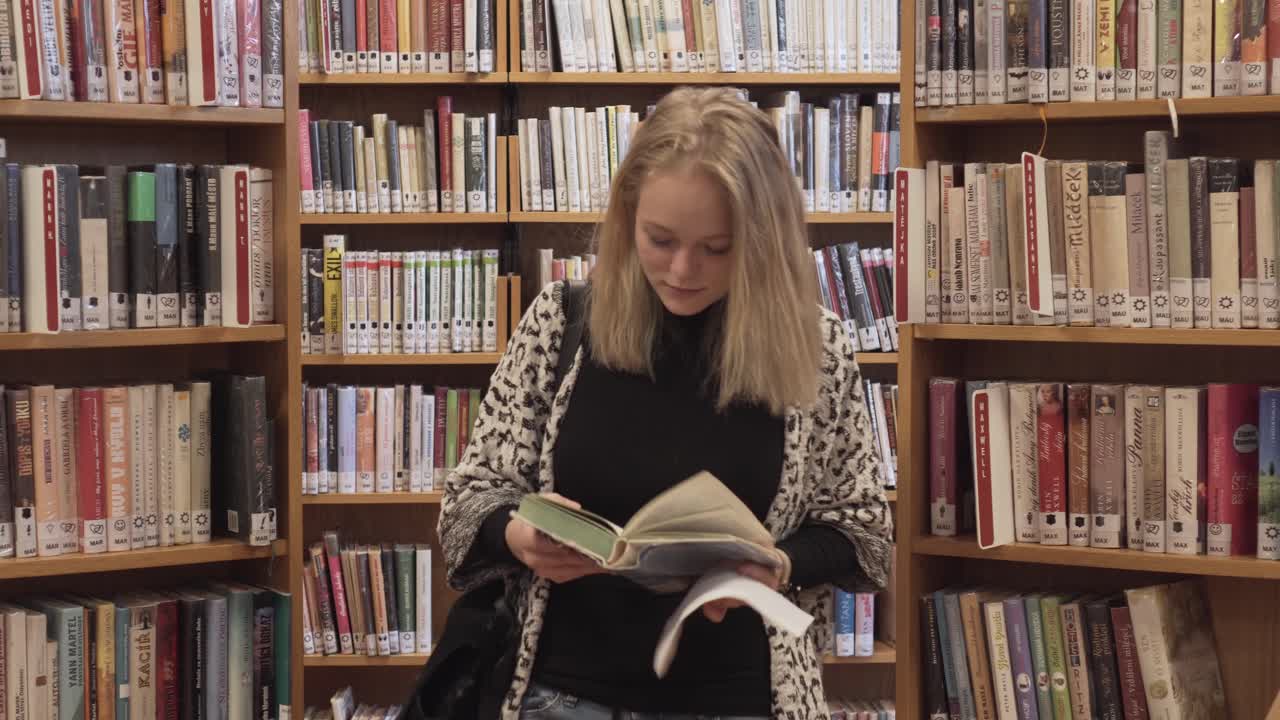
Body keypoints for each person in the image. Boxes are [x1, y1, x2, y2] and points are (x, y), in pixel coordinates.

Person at [438, 86, 893, 720]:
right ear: (627, 219)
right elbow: (469, 499)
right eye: (660, 239)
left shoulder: (816, 350)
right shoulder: (560, 323)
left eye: (717, 248)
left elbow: (864, 533)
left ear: (762, 240)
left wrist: (778, 564)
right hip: (562, 693)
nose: (682, 269)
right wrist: (516, 535)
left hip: (743, 698)